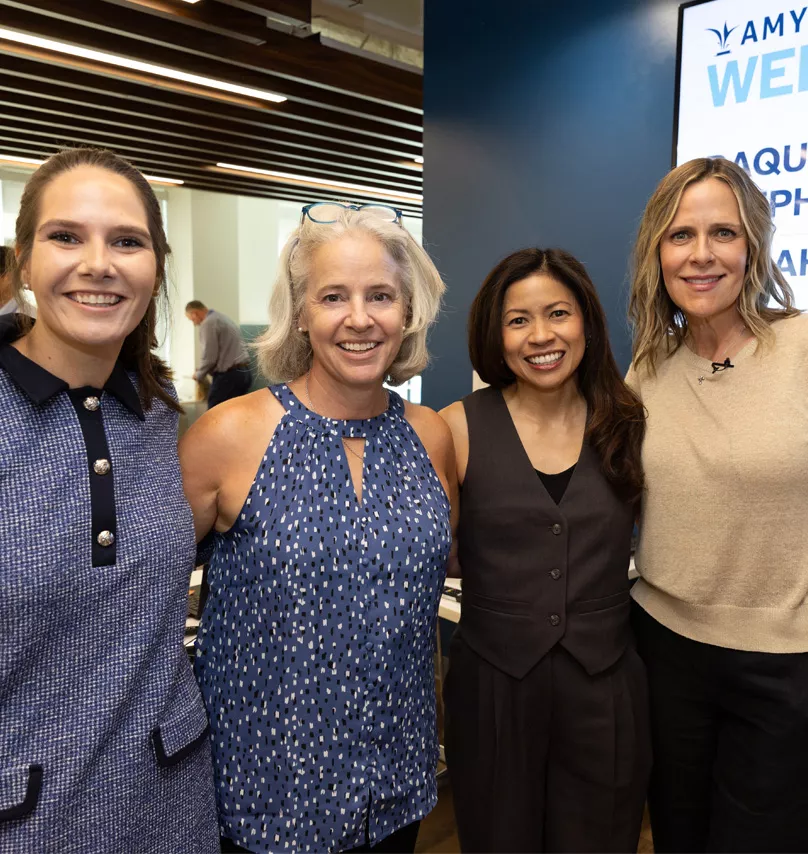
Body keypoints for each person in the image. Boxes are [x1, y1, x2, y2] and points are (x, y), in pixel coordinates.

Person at [180, 201, 457, 853]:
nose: (359, 319)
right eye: (334, 296)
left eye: (381, 296)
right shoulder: (229, 434)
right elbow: (145, 599)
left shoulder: (430, 437)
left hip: (393, 784)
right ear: (301, 312)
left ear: (408, 311)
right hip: (264, 793)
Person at [0, 147, 219, 853]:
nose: (99, 263)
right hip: (25, 817)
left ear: (155, 268)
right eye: (66, 236)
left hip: (170, 804)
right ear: (24, 263)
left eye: (127, 241)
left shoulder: (156, 416)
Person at [440, 248, 650, 852]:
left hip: (606, 683)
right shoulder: (455, 426)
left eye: (558, 313)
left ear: (586, 319)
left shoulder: (628, 421)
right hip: (493, 686)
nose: (541, 336)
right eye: (518, 320)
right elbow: (435, 550)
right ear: (495, 334)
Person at [626, 156, 808, 852]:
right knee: (678, 835)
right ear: (657, 251)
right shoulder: (647, 368)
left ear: (753, 246)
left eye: (723, 234)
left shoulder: (800, 346)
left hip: (785, 661)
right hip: (664, 652)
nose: (701, 255)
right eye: (681, 235)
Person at [185, 299, 251, 407]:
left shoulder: (208, 323)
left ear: (194, 313)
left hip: (229, 377)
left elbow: (209, 356)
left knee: (214, 413)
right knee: (233, 413)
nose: (194, 323)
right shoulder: (222, 318)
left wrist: (199, 374)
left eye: (191, 319)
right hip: (244, 374)